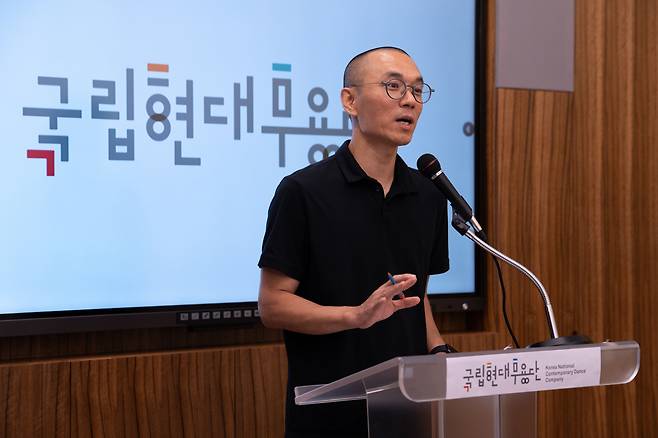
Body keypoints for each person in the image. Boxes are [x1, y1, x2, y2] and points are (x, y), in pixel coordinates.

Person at [258, 47, 451, 438]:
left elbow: (416, 297)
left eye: (417, 90)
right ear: (350, 100)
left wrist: (440, 353)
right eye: (394, 87)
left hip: (408, 412)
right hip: (329, 415)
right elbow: (273, 304)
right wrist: (355, 316)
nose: (410, 101)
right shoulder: (303, 192)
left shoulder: (428, 196)